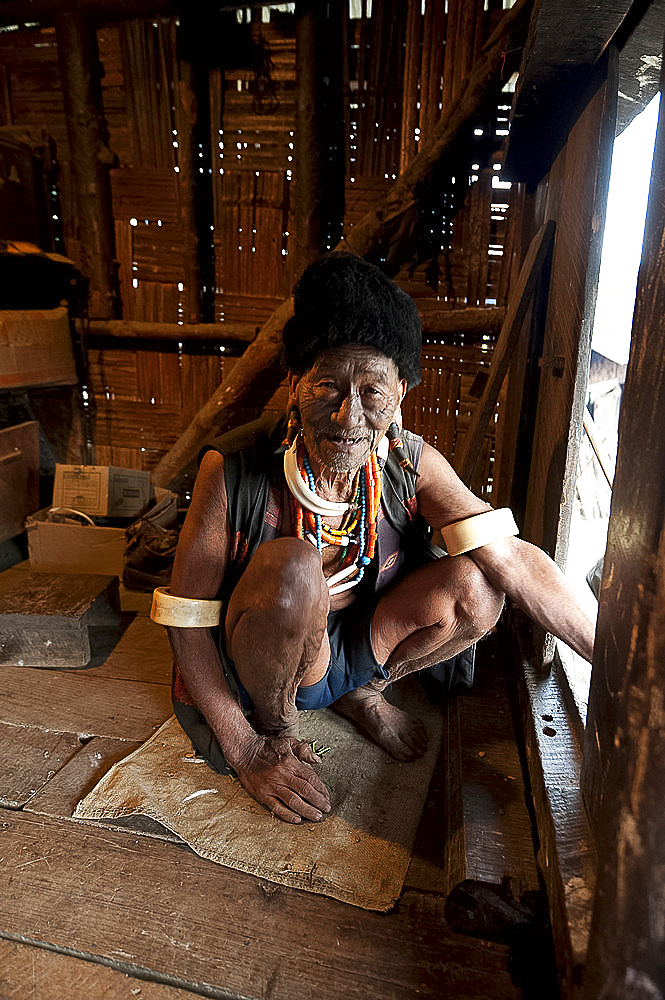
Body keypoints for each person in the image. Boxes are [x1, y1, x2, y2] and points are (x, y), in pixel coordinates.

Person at [152, 251, 595, 825]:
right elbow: (186, 619)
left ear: (403, 392)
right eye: (327, 386)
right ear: (294, 384)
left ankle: (361, 692)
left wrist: (612, 667)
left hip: (363, 645)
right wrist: (246, 749)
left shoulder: (412, 465)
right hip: (263, 660)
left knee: (480, 586)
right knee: (292, 571)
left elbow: (510, 557)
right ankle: (277, 725)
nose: (347, 416)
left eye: (372, 391)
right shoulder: (231, 468)